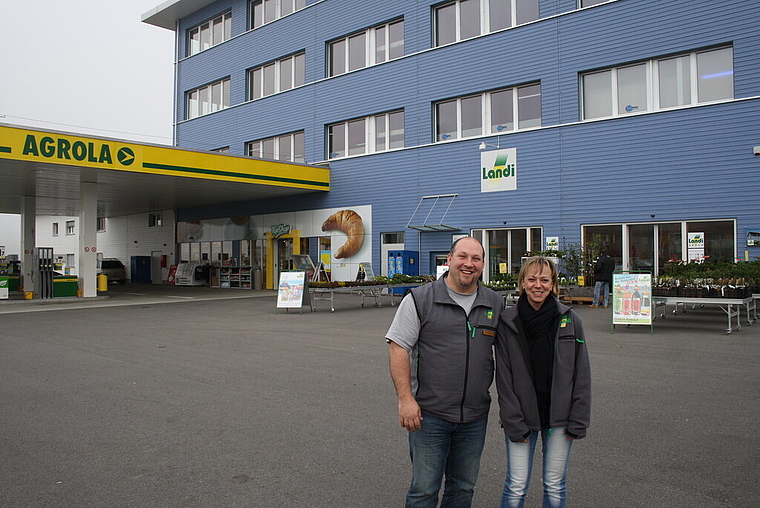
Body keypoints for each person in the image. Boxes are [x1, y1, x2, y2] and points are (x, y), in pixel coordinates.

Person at [386, 237, 504, 508]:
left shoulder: (494, 303)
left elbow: (512, 355)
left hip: (474, 417)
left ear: (483, 265)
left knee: (462, 489)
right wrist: (405, 400)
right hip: (429, 416)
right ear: (449, 260)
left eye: (476, 259)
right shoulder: (420, 299)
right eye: (462, 257)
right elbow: (398, 348)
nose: (468, 264)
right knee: (424, 490)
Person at [495, 256, 591, 508]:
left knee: (555, 484)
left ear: (553, 284)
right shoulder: (508, 322)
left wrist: (578, 419)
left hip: (560, 417)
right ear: (522, 283)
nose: (538, 285)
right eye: (532, 279)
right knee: (516, 485)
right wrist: (512, 420)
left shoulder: (571, 321)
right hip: (522, 416)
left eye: (544, 280)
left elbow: (582, 374)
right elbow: (503, 378)